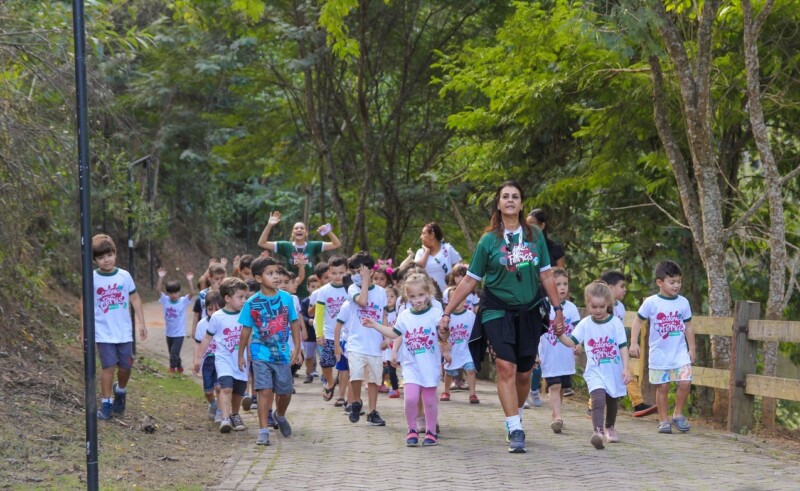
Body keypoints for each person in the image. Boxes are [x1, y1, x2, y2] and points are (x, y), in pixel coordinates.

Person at [441, 180, 563, 454]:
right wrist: (447, 312)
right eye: (505, 197)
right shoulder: (489, 240)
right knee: (505, 367)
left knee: (524, 372)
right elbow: (471, 280)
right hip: (496, 309)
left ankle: (515, 414)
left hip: (530, 310)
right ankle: (514, 427)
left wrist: (558, 310)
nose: (510, 200)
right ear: (498, 203)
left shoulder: (534, 236)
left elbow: (546, 274)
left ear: (521, 204)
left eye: (515, 197)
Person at [364, 273, 451, 446]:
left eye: (421, 295)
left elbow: (444, 335)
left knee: (429, 401)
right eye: (412, 296)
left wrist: (444, 331)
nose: (417, 300)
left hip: (430, 366)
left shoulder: (436, 312)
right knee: (410, 398)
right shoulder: (404, 316)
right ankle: (411, 429)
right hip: (411, 365)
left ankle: (431, 431)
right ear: (407, 297)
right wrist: (375, 325)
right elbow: (393, 333)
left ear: (428, 293)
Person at [79, 234, 147, 420]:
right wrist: (83, 329)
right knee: (108, 367)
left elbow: (135, 298)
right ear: (94, 260)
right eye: (100, 257)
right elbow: (84, 303)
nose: (106, 260)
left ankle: (121, 390)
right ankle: (107, 402)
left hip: (124, 332)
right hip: (103, 332)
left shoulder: (124, 276)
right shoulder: (92, 279)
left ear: (115, 254)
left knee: (126, 367)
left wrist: (141, 322)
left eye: (109, 255)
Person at [555, 281, 630, 449]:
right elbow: (571, 341)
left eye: (602, 307)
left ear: (608, 305)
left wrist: (626, 367)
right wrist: (560, 334)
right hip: (595, 370)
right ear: (588, 304)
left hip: (613, 369)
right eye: (594, 306)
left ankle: (609, 426)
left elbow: (623, 347)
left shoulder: (615, 323)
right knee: (598, 399)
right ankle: (598, 432)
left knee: (612, 400)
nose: (598, 310)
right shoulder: (585, 324)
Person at [238, 256, 303, 446]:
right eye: (270, 273)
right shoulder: (252, 303)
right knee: (264, 391)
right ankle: (263, 430)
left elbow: (293, 323)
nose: (275, 277)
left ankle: (280, 415)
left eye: (276, 273)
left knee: (285, 391)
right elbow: (246, 330)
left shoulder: (286, 298)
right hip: (260, 352)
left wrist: (297, 348)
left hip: (282, 352)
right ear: (259, 278)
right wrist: (240, 353)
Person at [630, 260, 695, 435]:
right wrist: (634, 343)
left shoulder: (683, 302)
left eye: (679, 282)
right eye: (672, 282)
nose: (676, 286)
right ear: (660, 282)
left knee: (685, 382)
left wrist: (692, 349)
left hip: (679, 352)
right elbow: (637, 321)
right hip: (659, 353)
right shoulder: (651, 302)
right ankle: (663, 419)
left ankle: (678, 414)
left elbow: (688, 326)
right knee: (663, 387)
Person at [193, 277, 249, 433]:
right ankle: (225, 418)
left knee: (238, 391)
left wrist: (251, 355)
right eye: (240, 297)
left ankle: (235, 415)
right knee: (226, 389)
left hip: (240, 360)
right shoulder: (217, 317)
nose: (244, 300)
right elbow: (206, 338)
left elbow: (250, 336)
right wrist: (198, 357)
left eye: (245, 297)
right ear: (227, 299)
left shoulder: (246, 314)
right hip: (223, 359)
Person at [601, 270, 656, 417]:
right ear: (610, 287)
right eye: (622, 286)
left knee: (628, 373)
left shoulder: (621, 307)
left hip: (618, 349)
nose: (625, 289)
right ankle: (592, 406)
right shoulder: (600, 305)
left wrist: (627, 345)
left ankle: (638, 404)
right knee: (603, 376)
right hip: (603, 349)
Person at [343, 251, 388, 426]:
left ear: (370, 270)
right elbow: (362, 301)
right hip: (356, 342)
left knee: (375, 379)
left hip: (375, 344)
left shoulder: (382, 292)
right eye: (353, 272)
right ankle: (355, 401)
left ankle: (372, 412)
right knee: (355, 374)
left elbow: (383, 315)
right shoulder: (352, 288)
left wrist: (386, 337)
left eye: (359, 270)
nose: (355, 275)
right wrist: (363, 281)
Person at [257, 211, 341, 299]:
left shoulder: (312, 245)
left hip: (309, 291)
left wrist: (328, 232)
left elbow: (336, 244)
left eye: (302, 228)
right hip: (290, 291)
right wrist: (269, 225)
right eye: (296, 228)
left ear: (306, 233)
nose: (299, 230)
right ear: (293, 233)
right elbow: (262, 243)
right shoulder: (286, 246)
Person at [537, 267, 580, 433]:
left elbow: (578, 331)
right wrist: (535, 354)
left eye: (565, 284)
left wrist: (579, 344)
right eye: (558, 284)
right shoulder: (543, 307)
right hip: (549, 355)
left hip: (565, 356)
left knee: (561, 386)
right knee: (554, 386)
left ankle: (557, 413)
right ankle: (557, 416)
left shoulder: (571, 308)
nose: (562, 288)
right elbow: (535, 331)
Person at [312, 256, 350, 401]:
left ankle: (342, 396)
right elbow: (319, 314)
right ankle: (330, 382)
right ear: (328, 272)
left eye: (341, 273)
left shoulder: (351, 290)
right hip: (328, 334)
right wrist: (319, 333)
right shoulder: (323, 291)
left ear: (347, 271)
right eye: (333, 273)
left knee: (344, 367)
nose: (337, 276)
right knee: (325, 362)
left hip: (346, 336)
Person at [439, 290, 479, 404]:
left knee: (471, 370)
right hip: (452, 350)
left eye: (460, 298)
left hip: (466, 350)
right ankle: (446, 391)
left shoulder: (470, 316)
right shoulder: (446, 318)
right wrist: (445, 349)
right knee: (449, 373)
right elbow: (442, 335)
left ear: (465, 299)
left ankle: (472, 394)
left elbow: (475, 332)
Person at [156, 267, 195, 373]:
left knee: (174, 352)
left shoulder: (183, 301)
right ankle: (180, 367)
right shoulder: (165, 300)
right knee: (172, 352)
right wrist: (161, 278)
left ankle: (172, 368)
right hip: (169, 333)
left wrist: (190, 280)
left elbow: (192, 293)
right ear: (167, 293)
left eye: (175, 292)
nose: (173, 295)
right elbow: (158, 290)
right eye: (170, 293)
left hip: (179, 333)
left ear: (179, 292)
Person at [193, 289, 224, 422]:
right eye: (210, 309)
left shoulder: (224, 321)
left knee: (219, 387)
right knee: (208, 391)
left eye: (216, 309)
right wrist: (196, 360)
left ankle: (220, 411)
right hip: (207, 361)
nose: (213, 313)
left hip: (221, 359)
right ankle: (213, 404)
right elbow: (198, 343)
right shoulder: (202, 324)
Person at [413, 222, 462, 295]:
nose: (421, 237)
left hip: (447, 294)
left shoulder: (447, 249)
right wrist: (426, 252)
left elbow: (460, 268)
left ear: (432, 235)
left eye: (423, 233)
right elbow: (417, 269)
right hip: (427, 295)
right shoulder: (420, 253)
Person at [192, 262, 226, 338]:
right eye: (216, 278)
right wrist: (194, 330)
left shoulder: (226, 293)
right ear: (209, 278)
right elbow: (196, 313)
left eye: (222, 278)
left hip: (222, 327)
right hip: (206, 328)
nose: (220, 281)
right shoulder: (203, 294)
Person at [301, 275, 320, 383]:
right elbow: (302, 315)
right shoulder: (305, 302)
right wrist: (309, 321)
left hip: (320, 333)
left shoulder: (323, 300)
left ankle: (325, 376)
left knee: (323, 355)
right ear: (308, 288)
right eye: (313, 287)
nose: (315, 289)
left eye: (318, 287)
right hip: (309, 333)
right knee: (309, 356)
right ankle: (309, 372)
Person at [382, 286, 400, 398]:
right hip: (388, 344)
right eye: (386, 297)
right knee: (390, 367)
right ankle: (395, 388)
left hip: (399, 343)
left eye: (392, 296)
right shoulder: (382, 313)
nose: (389, 299)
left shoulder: (399, 312)